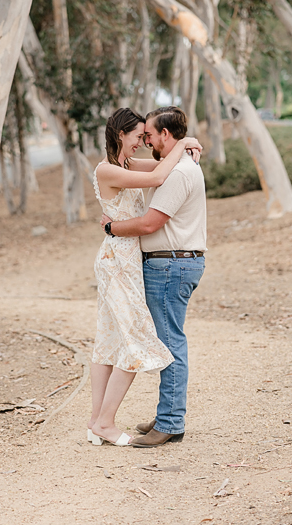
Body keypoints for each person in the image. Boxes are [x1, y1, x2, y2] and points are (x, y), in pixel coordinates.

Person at [89, 107, 201, 446]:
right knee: (136, 342)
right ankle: (105, 423)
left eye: (147, 136)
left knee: (109, 340)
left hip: (126, 260)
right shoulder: (107, 170)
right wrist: (182, 144)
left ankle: (96, 421)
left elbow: (167, 168)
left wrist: (185, 142)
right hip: (118, 261)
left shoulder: (126, 165)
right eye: (138, 136)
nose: (143, 142)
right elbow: (157, 177)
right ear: (121, 134)